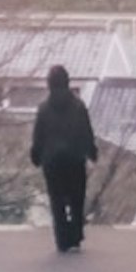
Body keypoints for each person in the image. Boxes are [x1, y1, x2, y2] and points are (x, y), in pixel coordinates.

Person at [29, 65, 99, 254]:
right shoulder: (78, 106)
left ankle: (62, 239)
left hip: (52, 161)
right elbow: (86, 132)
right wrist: (91, 152)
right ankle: (75, 234)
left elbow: (38, 136)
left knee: (57, 200)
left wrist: (36, 155)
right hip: (75, 159)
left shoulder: (44, 108)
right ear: (67, 82)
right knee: (76, 198)